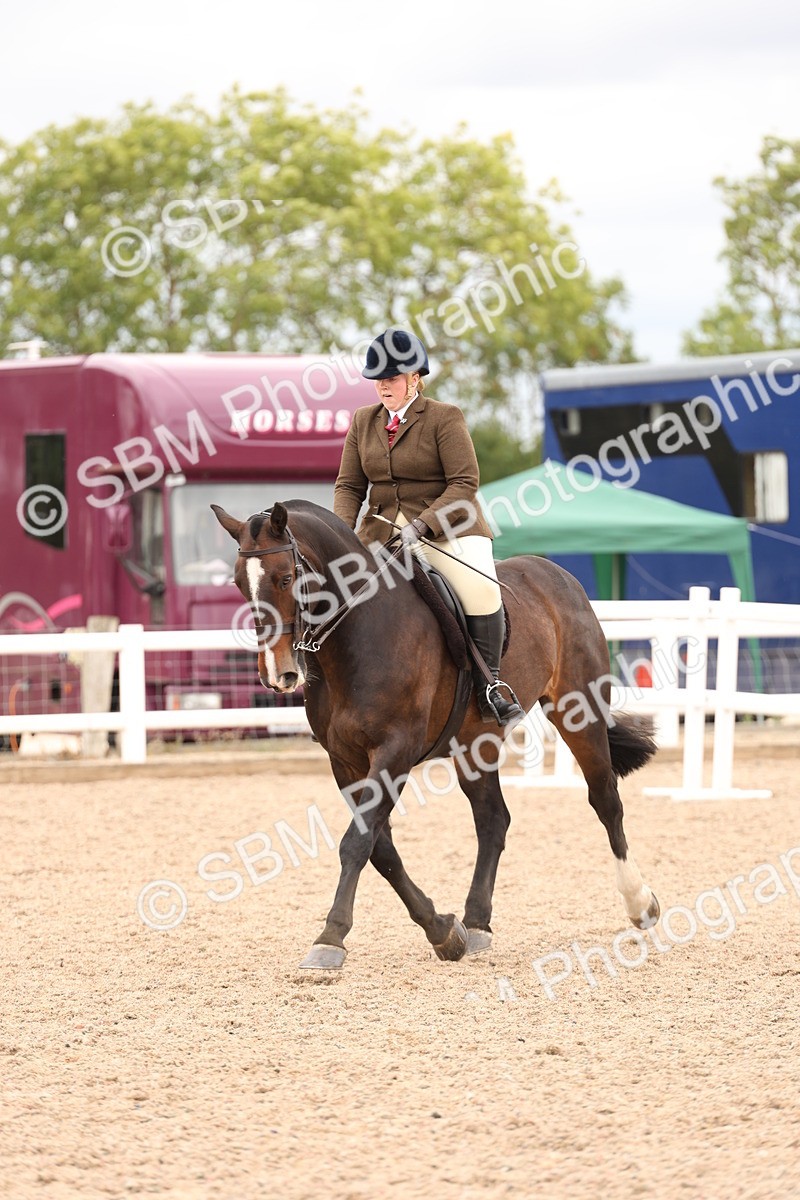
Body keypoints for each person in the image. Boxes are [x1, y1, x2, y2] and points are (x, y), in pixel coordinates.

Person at [333, 328, 524, 728]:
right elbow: (350, 485)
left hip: (447, 527)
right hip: (380, 531)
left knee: (481, 588)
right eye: (379, 379)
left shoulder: (443, 417)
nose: (383, 385)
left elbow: (464, 483)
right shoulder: (362, 422)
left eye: (392, 378)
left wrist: (423, 524)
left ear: (415, 378)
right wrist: (342, 536)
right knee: (335, 588)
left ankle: (490, 686)